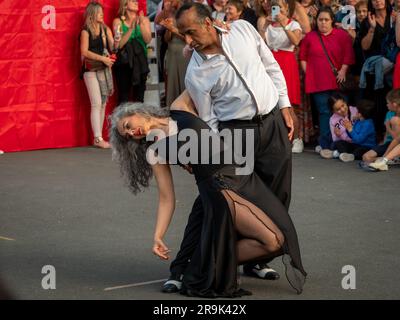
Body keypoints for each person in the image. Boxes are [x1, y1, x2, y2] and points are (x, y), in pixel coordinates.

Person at [109, 92, 307, 297]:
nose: (132, 133)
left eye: (128, 126)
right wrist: (158, 235)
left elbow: (204, 73)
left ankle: (201, 265)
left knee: (282, 241)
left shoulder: (180, 106)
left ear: (137, 111)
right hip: (219, 186)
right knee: (272, 239)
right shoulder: (155, 150)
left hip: (244, 176)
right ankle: (199, 267)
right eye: (127, 135)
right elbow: (166, 198)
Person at [160, 2, 295, 293]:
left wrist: (284, 104)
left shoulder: (244, 30)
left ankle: (257, 258)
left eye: (191, 32)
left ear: (209, 23)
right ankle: (183, 266)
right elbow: (207, 120)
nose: (188, 40)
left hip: (272, 124)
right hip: (234, 134)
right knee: (217, 202)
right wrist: (203, 153)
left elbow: (271, 66)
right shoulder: (195, 71)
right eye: (183, 34)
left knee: (277, 194)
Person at [299, 6, 355, 151]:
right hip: (317, 82)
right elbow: (303, 57)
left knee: (342, 110)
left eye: (326, 20)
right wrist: (309, 73)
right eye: (320, 20)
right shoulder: (310, 37)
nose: (323, 23)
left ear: (332, 21)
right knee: (324, 112)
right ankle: (326, 144)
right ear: (316, 21)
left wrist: (343, 70)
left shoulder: (341, 35)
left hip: (337, 80)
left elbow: (348, 55)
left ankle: (345, 141)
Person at [265, 0, 303, 152]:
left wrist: (283, 24)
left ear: (286, 8)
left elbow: (296, 41)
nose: (278, 11)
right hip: (270, 63)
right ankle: (277, 140)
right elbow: (261, 43)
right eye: (275, 8)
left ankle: (297, 139)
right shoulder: (267, 24)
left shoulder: (294, 25)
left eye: (280, 7)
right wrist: (263, 26)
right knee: (271, 105)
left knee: (289, 104)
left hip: (287, 62)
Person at [80, 1, 115, 149]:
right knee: (96, 103)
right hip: (91, 70)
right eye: (99, 12)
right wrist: (102, 59)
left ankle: (99, 136)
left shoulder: (105, 29)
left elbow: (112, 47)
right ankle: (97, 137)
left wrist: (115, 39)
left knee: (103, 103)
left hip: (104, 70)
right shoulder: (85, 31)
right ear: (92, 14)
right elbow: (84, 52)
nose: (102, 14)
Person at [112, 0, 152, 103]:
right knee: (123, 97)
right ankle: (123, 119)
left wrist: (142, 23)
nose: (136, 2)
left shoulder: (145, 20)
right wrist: (131, 28)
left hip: (140, 62)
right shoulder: (118, 22)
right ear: (125, 4)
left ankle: (138, 119)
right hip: (124, 63)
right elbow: (119, 44)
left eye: (136, 1)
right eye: (132, 1)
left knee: (139, 97)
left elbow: (148, 40)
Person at [360, 89, 400, 167]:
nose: (387, 105)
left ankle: (389, 159)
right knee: (366, 157)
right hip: (390, 143)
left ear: (394, 104)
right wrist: (384, 144)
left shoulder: (395, 119)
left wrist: (388, 127)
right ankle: (391, 159)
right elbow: (390, 136)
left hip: (396, 143)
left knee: (394, 120)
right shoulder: (389, 114)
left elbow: (397, 139)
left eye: (388, 103)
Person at [319, 92, 358, 159]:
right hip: (342, 142)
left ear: (345, 102)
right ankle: (336, 152)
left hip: (355, 141)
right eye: (338, 109)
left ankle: (335, 153)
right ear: (333, 111)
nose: (342, 110)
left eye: (343, 105)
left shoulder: (355, 110)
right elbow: (335, 140)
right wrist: (337, 134)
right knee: (322, 139)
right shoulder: (332, 119)